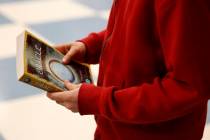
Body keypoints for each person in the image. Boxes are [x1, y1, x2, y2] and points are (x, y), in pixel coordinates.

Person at [47, 0, 210, 139]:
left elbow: (188, 87)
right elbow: (139, 25)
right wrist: (91, 46)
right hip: (116, 127)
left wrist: (99, 101)